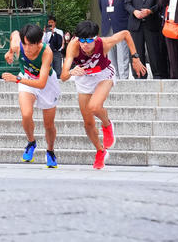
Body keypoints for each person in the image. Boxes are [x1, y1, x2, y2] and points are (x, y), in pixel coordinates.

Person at [61, 19, 145, 169]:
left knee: (94, 107)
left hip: (103, 74)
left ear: (95, 38)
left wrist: (135, 57)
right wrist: (70, 72)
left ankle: (107, 125)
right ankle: (100, 151)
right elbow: (63, 76)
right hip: (84, 77)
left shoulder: (104, 43)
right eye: (82, 40)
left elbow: (126, 34)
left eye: (88, 40)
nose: (85, 44)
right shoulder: (73, 47)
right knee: (87, 123)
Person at [2, 23, 60, 168]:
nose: (27, 49)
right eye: (25, 44)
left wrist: (17, 79)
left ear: (39, 42)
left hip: (46, 83)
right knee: (26, 114)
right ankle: (31, 142)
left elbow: (41, 83)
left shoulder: (46, 52)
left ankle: (50, 151)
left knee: (49, 125)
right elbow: (14, 32)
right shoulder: (18, 44)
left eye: (31, 45)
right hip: (26, 79)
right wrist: (9, 52)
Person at [125, 0, 161, 79]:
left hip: (151, 24)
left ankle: (157, 75)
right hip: (136, 25)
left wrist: (150, 11)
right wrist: (134, 11)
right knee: (137, 52)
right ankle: (139, 76)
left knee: (154, 52)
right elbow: (127, 4)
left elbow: (160, 4)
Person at [99, 0, 131, 78]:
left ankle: (124, 78)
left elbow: (127, 8)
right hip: (107, 27)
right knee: (110, 55)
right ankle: (114, 77)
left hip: (121, 26)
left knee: (123, 54)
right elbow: (101, 9)